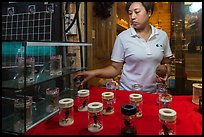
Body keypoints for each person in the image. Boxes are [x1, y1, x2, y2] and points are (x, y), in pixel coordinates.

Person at [74, 2, 173, 92]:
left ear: (149, 12)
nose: (132, 17)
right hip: (127, 92)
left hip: (153, 92)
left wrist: (167, 72)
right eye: (130, 13)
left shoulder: (162, 36)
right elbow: (115, 68)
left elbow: (166, 62)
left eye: (137, 12)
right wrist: (94, 73)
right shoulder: (123, 37)